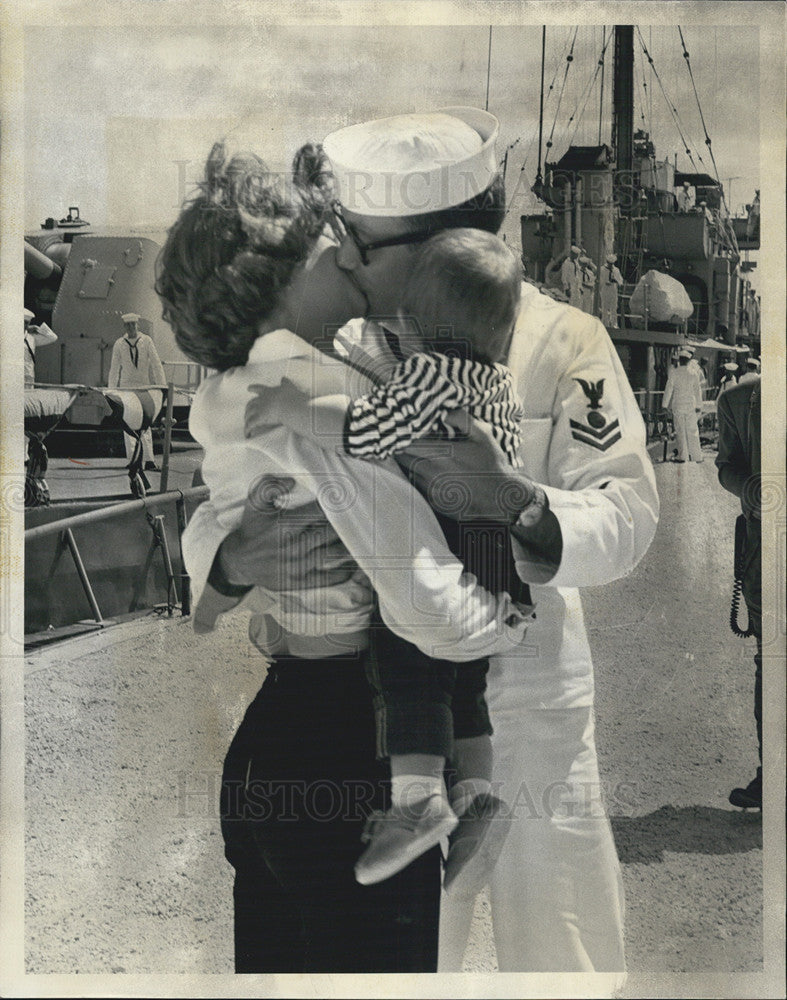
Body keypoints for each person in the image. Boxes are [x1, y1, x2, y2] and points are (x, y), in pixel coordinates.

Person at [193, 107, 659, 973]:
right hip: (380, 723)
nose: (349, 262)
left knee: (561, 963)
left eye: (364, 246)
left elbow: (626, 511)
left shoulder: (565, 340)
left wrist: (513, 502)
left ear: (438, 245)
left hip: (527, 707)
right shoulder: (343, 343)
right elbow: (228, 494)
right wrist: (229, 561)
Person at [157, 140, 532, 972]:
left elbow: (214, 553)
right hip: (357, 739)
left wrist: (227, 564)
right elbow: (399, 525)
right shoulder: (317, 381)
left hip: (277, 735)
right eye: (337, 249)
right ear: (281, 281)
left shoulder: (238, 388)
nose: (354, 260)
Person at [246, 228, 531, 891]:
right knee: (462, 684)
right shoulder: (499, 383)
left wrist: (292, 404)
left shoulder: (428, 374)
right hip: (501, 576)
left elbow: (367, 432)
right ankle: (477, 796)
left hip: (448, 555)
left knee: (406, 669)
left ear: (418, 317)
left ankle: (418, 800)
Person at [716, 380, 762, 809]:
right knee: (772, 663)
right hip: (764, 554)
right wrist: (749, 488)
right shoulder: (738, 399)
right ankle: (773, 773)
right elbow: (726, 466)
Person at [107, 312, 166, 471]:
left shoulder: (146, 341)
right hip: (126, 388)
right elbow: (114, 368)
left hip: (143, 387)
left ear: (137, 325)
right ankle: (134, 459)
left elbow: (156, 364)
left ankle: (149, 460)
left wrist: (162, 386)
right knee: (129, 423)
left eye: (134, 324)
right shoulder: (120, 343)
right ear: (125, 327)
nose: (131, 327)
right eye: (128, 325)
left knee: (145, 423)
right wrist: (111, 390)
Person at [662, 348, 703, 463]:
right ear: (689, 361)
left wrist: (664, 405)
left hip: (678, 405)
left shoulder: (674, 372)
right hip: (691, 405)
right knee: (693, 430)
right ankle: (697, 456)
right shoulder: (694, 373)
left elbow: (669, 389)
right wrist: (699, 404)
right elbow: (697, 390)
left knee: (680, 430)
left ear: (679, 360)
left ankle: (682, 456)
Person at [24, 307, 58, 387]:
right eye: (22, 322)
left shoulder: (31, 338)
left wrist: (39, 329)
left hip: (28, 375)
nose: (24, 325)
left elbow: (53, 338)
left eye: (27, 323)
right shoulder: (10, 337)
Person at [600, 253, 623, 328]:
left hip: (613, 289)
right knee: (604, 307)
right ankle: (605, 323)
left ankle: (614, 323)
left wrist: (616, 281)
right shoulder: (602, 269)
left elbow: (620, 281)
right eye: (609, 263)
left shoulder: (616, 270)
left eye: (612, 263)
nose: (610, 265)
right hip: (605, 289)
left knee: (614, 307)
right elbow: (600, 280)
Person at [560, 244, 583, 308]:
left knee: (577, 306)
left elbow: (578, 275)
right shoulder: (566, 263)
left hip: (576, 287)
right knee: (570, 306)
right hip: (570, 287)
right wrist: (566, 288)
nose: (576, 256)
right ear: (572, 254)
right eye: (575, 254)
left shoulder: (576, 263)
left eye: (577, 255)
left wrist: (580, 287)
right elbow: (564, 277)